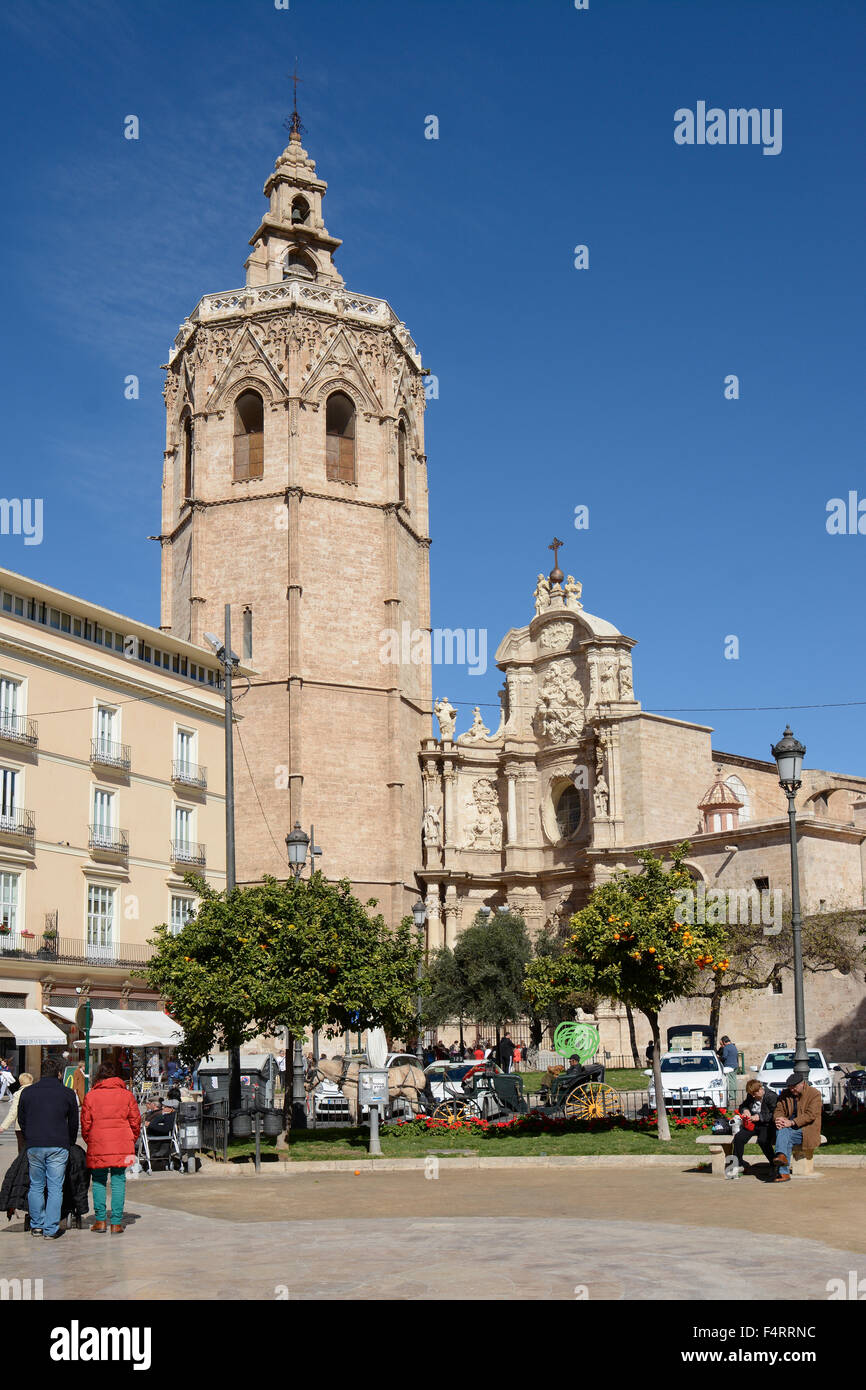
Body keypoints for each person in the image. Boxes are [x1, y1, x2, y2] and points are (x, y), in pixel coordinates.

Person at [17, 1054, 79, 1239]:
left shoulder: (27, 1092)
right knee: (55, 1187)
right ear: (60, 1074)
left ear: (41, 1074)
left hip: (35, 1144)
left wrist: (30, 1137)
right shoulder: (67, 1093)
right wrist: (70, 1141)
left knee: (36, 1185)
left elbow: (22, 1119)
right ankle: (50, 1229)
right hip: (58, 1144)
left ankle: (37, 1225)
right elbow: (74, 1122)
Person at [80, 1060, 141, 1233]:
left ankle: (100, 1221)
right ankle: (115, 1222)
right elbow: (136, 1121)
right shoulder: (126, 1095)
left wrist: (90, 1139)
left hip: (98, 1142)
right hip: (121, 1142)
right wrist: (130, 1138)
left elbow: (85, 1124)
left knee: (98, 1181)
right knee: (118, 1181)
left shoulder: (91, 1095)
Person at [773, 1072, 822, 1182]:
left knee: (784, 1134)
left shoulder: (814, 1094)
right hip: (788, 1127)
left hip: (806, 1129)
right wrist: (779, 1119)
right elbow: (778, 1110)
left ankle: (783, 1169)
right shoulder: (785, 1094)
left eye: (794, 1087)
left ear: (802, 1084)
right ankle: (782, 1158)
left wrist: (792, 1122)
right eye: (790, 1088)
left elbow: (811, 1115)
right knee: (783, 1131)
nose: (792, 1090)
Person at [731, 1078, 778, 1177]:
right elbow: (743, 1105)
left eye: (754, 1094)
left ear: (761, 1089)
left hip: (766, 1125)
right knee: (739, 1138)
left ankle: (774, 1164)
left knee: (763, 1141)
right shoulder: (751, 1095)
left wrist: (760, 1117)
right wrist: (745, 1110)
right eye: (751, 1094)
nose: (753, 1096)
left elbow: (774, 1114)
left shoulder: (771, 1096)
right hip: (753, 1123)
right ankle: (738, 1163)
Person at [0, 1071, 33, 1153]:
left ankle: (22, 1165)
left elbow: (13, 1112)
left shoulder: (18, 1094)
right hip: (35, 1126)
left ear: (21, 1082)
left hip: (20, 1127)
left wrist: (3, 1126)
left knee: (22, 1151)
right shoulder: (38, 1093)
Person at [719, 1036, 739, 1107]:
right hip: (735, 1065)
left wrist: (719, 1057)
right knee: (734, 1080)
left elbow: (724, 1057)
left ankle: (732, 1096)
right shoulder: (734, 1046)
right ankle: (734, 1094)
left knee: (730, 1081)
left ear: (724, 1042)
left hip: (729, 1066)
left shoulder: (726, 1048)